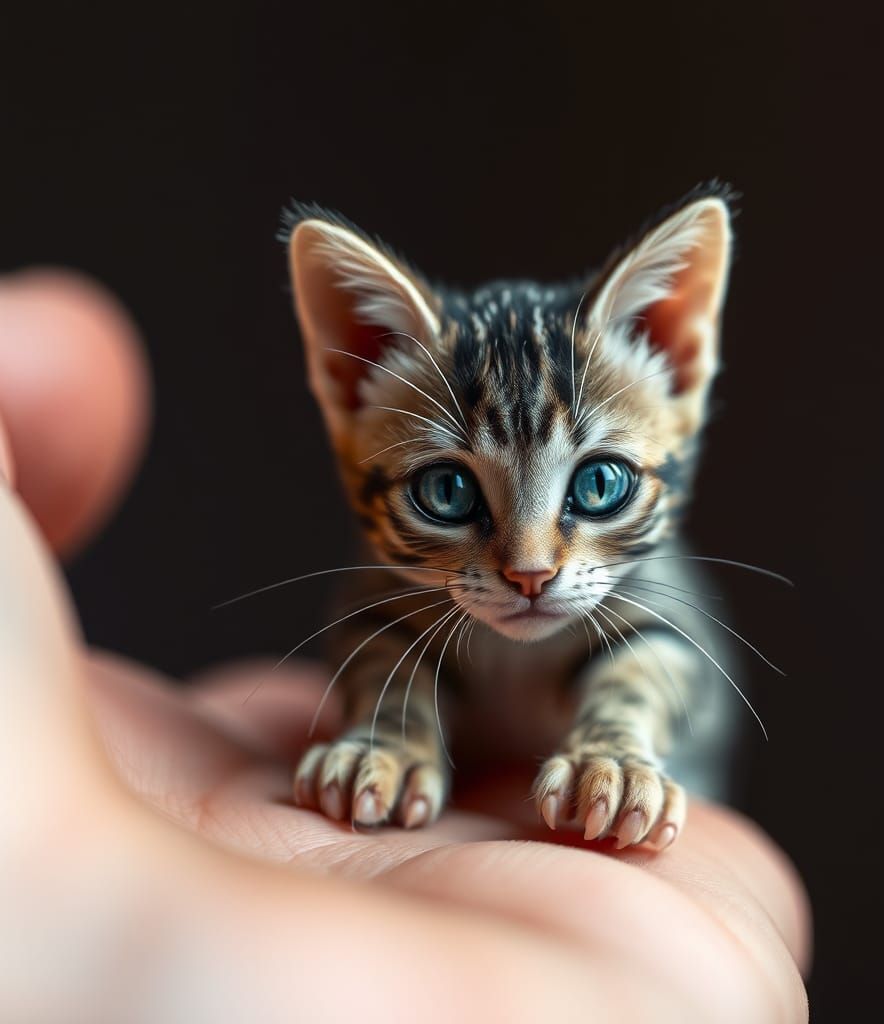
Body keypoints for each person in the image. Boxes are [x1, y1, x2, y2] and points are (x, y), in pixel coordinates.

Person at [0, 270, 811, 1022]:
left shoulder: (635, 604)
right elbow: (376, 637)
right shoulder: (396, 606)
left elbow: (664, 658)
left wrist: (615, 742)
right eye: (449, 491)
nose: (530, 564)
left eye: (598, 484)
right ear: (351, 391)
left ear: (677, 363)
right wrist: (391, 730)